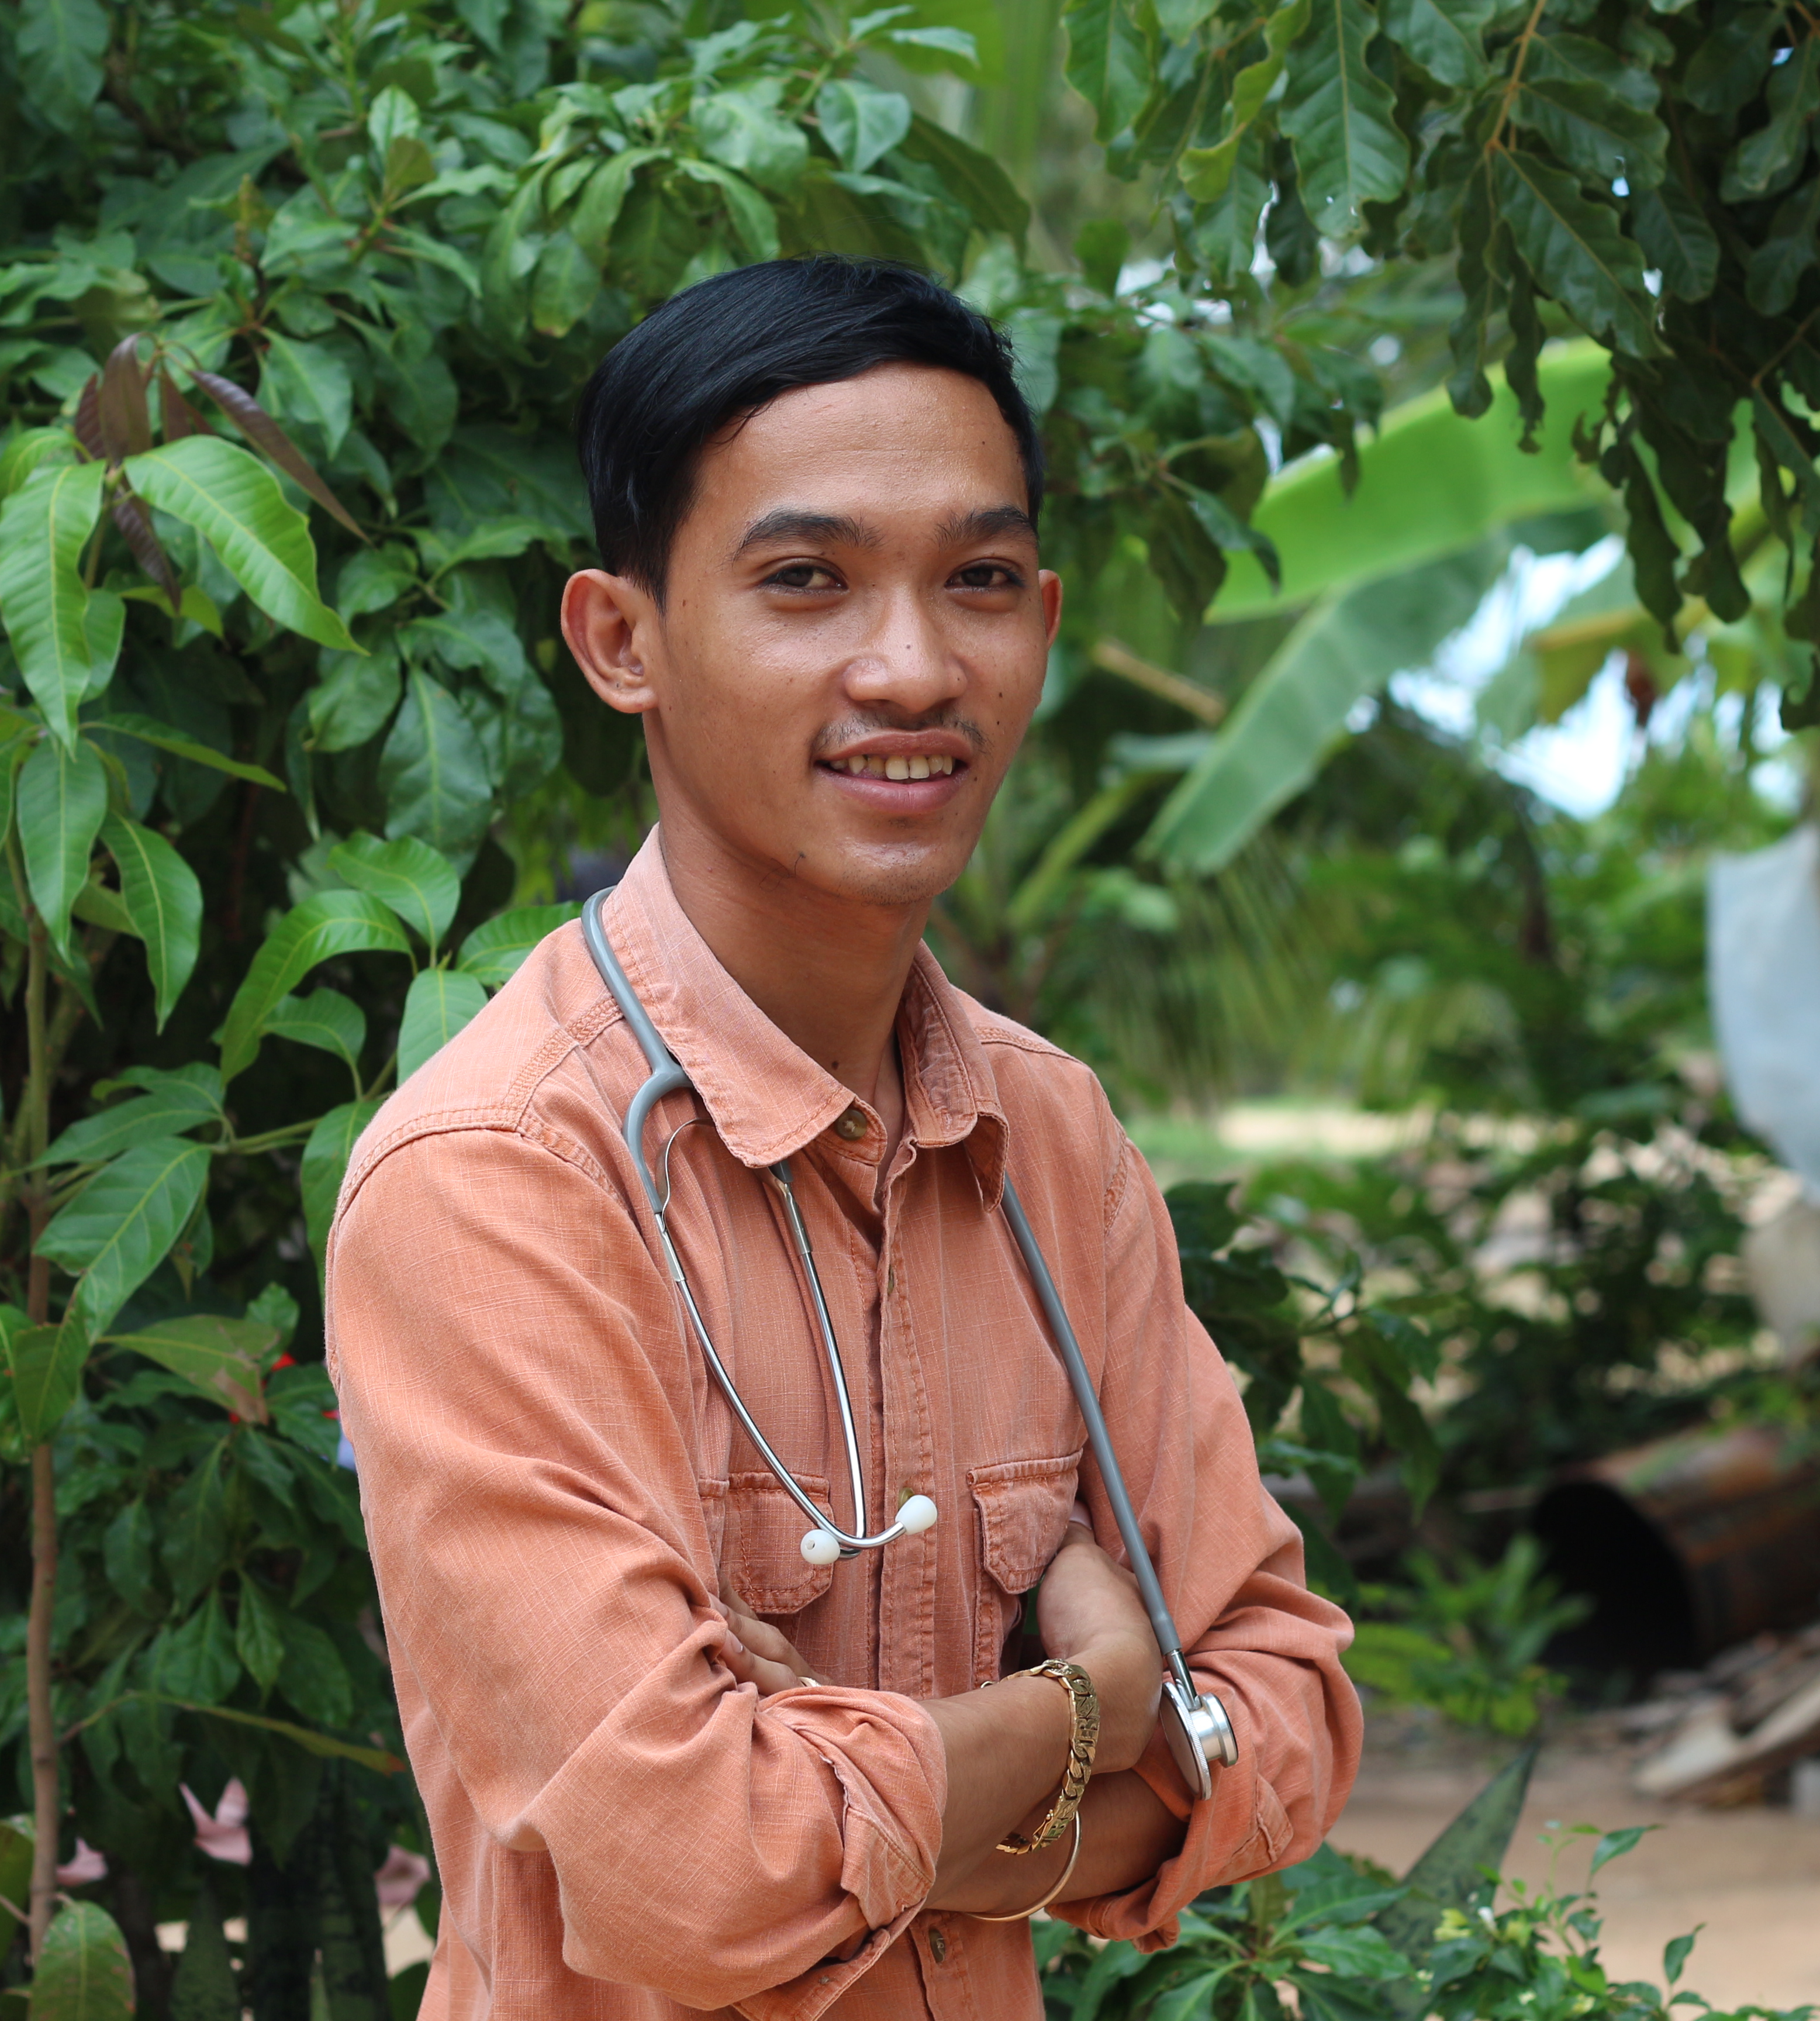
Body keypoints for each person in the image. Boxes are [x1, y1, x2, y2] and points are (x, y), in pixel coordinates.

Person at [325, 255, 1359, 2020]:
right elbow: (690, 1870)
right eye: (805, 581)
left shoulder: (1047, 1134)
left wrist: (874, 1816)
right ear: (620, 641)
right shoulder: (502, 1178)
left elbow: (1291, 1717)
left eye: (979, 582)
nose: (912, 666)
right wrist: (1098, 1708)